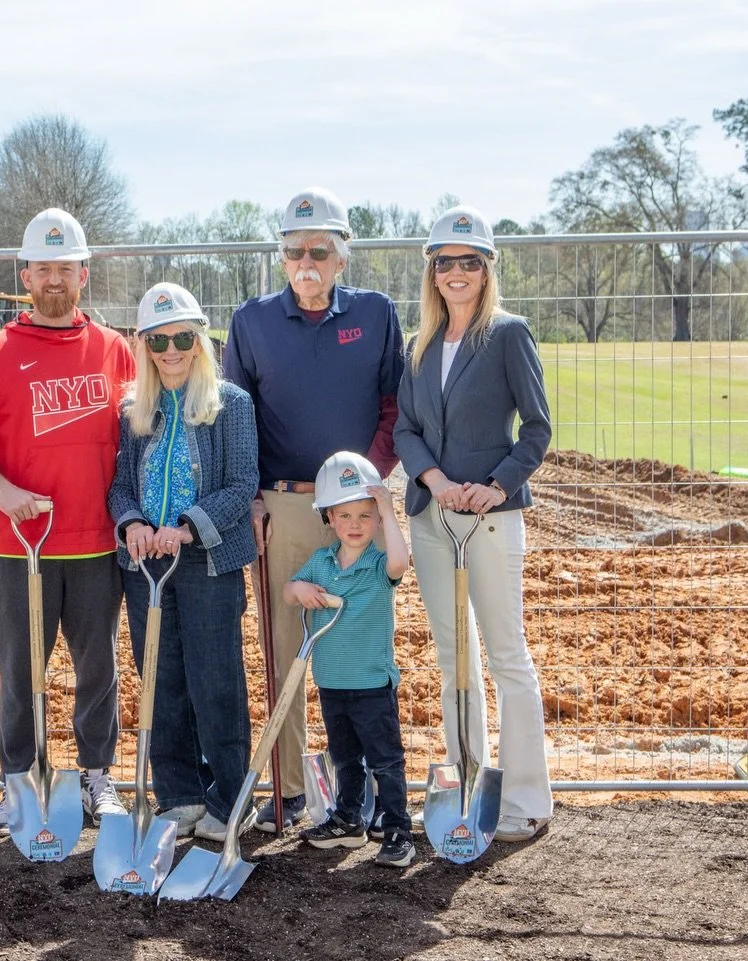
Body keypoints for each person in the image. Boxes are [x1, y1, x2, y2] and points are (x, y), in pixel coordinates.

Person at [223, 186, 405, 833]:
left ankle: (374, 791)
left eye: (319, 251)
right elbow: (234, 424)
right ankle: (291, 789)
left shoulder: (378, 315)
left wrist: (368, 486)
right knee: (286, 648)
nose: (307, 262)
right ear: (281, 257)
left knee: (360, 647)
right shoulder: (251, 323)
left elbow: (393, 410)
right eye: (295, 250)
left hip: (358, 513)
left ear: (341, 257)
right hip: (285, 507)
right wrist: (249, 496)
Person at [0, 208, 136, 837]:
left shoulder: (115, 351)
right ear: (24, 276)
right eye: (43, 269)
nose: (54, 279)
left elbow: (138, 440)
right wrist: (4, 492)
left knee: (97, 666)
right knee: (20, 669)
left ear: (83, 273)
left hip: (93, 542)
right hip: (19, 543)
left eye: (66, 268)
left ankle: (96, 775)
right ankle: (19, 782)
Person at [393, 205, 554, 842]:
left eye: (468, 263)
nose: (456, 273)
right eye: (444, 263)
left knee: (507, 655)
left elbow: (537, 431)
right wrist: (434, 482)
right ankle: (468, 781)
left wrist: (492, 488)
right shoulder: (420, 345)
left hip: (489, 521)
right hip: (434, 518)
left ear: (486, 271)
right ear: (431, 273)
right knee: (454, 657)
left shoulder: (510, 335)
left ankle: (525, 799)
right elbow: (406, 428)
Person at [108, 282, 259, 842]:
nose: (171, 351)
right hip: (145, 562)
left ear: (199, 341)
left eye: (182, 338)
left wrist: (188, 526)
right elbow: (120, 486)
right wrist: (134, 525)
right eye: (158, 340)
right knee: (161, 678)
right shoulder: (133, 411)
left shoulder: (230, 404)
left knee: (215, 679)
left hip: (208, 561)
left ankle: (229, 796)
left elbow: (242, 483)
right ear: (144, 345)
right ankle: (179, 794)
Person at [284, 451, 415, 868]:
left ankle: (397, 828)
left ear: (376, 520)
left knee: (385, 762)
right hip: (332, 683)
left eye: (365, 515)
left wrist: (391, 513)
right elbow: (291, 590)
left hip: (373, 686)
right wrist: (298, 590)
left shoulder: (378, 566)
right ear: (329, 519)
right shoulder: (321, 565)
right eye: (345, 516)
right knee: (344, 757)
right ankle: (348, 818)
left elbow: (401, 562)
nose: (355, 525)